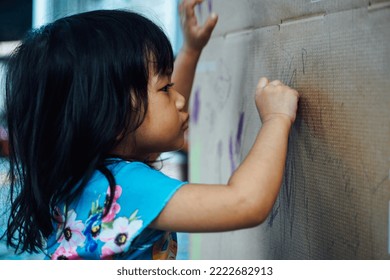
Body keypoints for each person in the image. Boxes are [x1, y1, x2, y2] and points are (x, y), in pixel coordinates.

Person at [2, 0, 299, 260]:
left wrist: (191, 50)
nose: (180, 100)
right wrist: (276, 119)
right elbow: (244, 203)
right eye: (166, 88)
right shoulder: (125, 187)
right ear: (113, 119)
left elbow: (157, 120)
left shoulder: (80, 177)